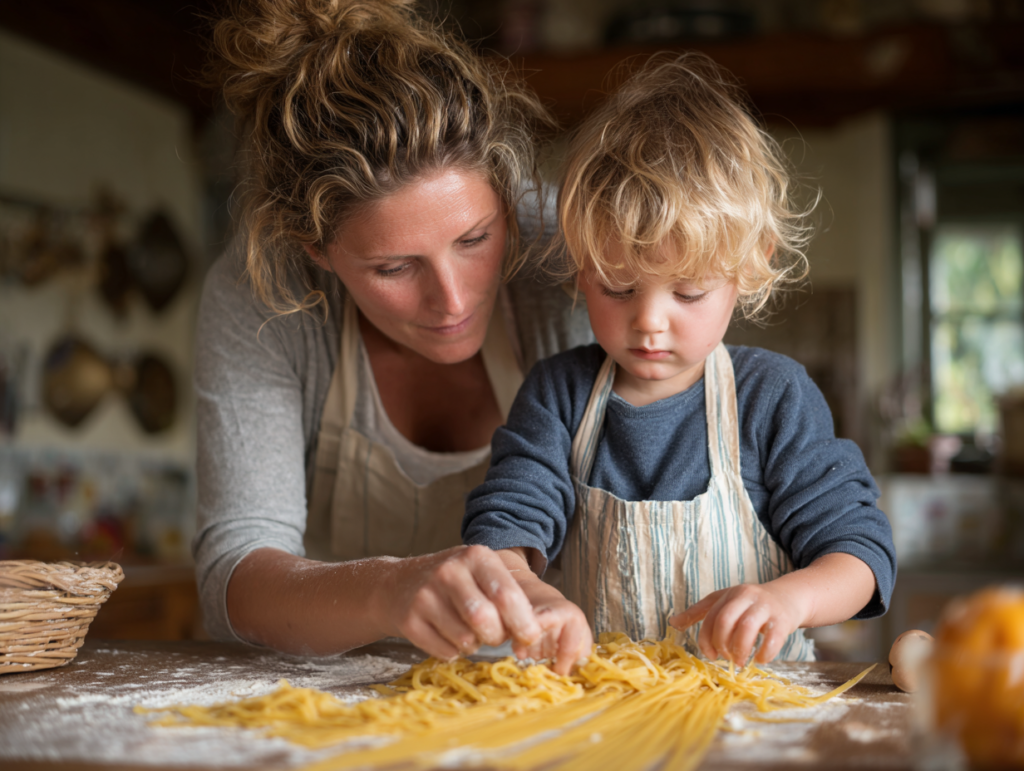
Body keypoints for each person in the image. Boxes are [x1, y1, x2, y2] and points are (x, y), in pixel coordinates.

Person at [463, 53, 898, 675]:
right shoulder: (559, 394)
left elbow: (860, 554)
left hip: (754, 715)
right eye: (617, 286)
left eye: (688, 292)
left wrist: (787, 599)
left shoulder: (772, 398)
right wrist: (528, 592)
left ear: (748, 268)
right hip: (597, 707)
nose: (649, 321)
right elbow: (503, 527)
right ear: (582, 267)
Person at [192, 0, 594, 661]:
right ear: (315, 248)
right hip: (332, 702)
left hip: (548, 681)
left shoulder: (565, 256)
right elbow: (233, 571)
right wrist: (387, 589)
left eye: (475, 237)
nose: (454, 297)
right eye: (394, 266)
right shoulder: (263, 294)